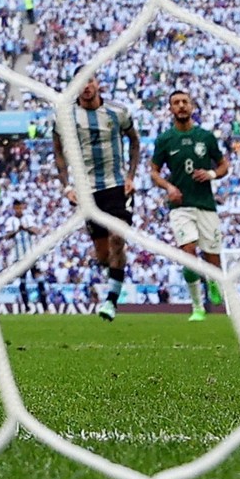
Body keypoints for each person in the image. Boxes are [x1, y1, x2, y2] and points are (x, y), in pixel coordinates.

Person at [52, 73, 141, 322]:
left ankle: (111, 302)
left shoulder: (117, 112)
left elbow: (134, 142)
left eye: (89, 81)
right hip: (87, 191)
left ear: (97, 83)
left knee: (117, 238)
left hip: (116, 186)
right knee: (102, 254)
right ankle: (115, 272)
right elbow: (57, 149)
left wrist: (131, 175)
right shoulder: (65, 117)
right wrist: (66, 185)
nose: (86, 87)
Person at [149, 89, 228, 322]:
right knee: (189, 254)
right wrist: (169, 188)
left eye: (185, 101)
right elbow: (154, 171)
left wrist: (212, 173)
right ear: (170, 109)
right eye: (176, 103)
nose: (181, 106)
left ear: (192, 106)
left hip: (205, 205)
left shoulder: (205, 137)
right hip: (181, 206)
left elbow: (224, 165)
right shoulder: (165, 139)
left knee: (212, 257)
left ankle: (213, 281)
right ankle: (197, 307)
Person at [3, 199, 50, 309]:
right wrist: (16, 231)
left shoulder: (28, 218)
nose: (19, 210)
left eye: (20, 207)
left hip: (32, 255)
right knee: (22, 281)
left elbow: (36, 231)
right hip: (19, 256)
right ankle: (27, 307)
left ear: (22, 207)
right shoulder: (11, 220)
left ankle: (45, 307)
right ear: (14, 209)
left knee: (39, 279)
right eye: (16, 208)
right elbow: (6, 236)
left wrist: (25, 228)